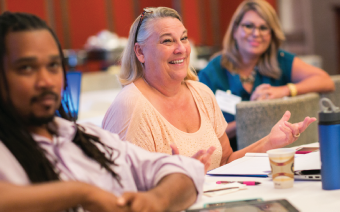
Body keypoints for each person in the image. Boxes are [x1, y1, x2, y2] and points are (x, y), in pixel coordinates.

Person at [0, 11, 205, 212]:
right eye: (26, 68)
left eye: (53, 65)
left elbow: (186, 170)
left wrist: (155, 201)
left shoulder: (89, 139)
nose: (46, 81)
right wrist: (82, 194)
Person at [102, 7, 316, 171]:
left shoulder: (201, 93)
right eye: (167, 41)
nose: (180, 49)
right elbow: (124, 193)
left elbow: (225, 161)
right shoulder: (131, 106)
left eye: (183, 38)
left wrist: (270, 141)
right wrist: (183, 180)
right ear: (140, 52)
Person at [198, 0, 335, 150]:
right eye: (248, 26)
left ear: (271, 34)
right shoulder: (213, 71)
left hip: (281, 153)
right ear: (235, 30)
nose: (256, 33)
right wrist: (250, 116)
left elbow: (325, 80)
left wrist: (284, 90)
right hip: (233, 157)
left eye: (263, 27)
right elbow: (204, 134)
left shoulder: (280, 60)